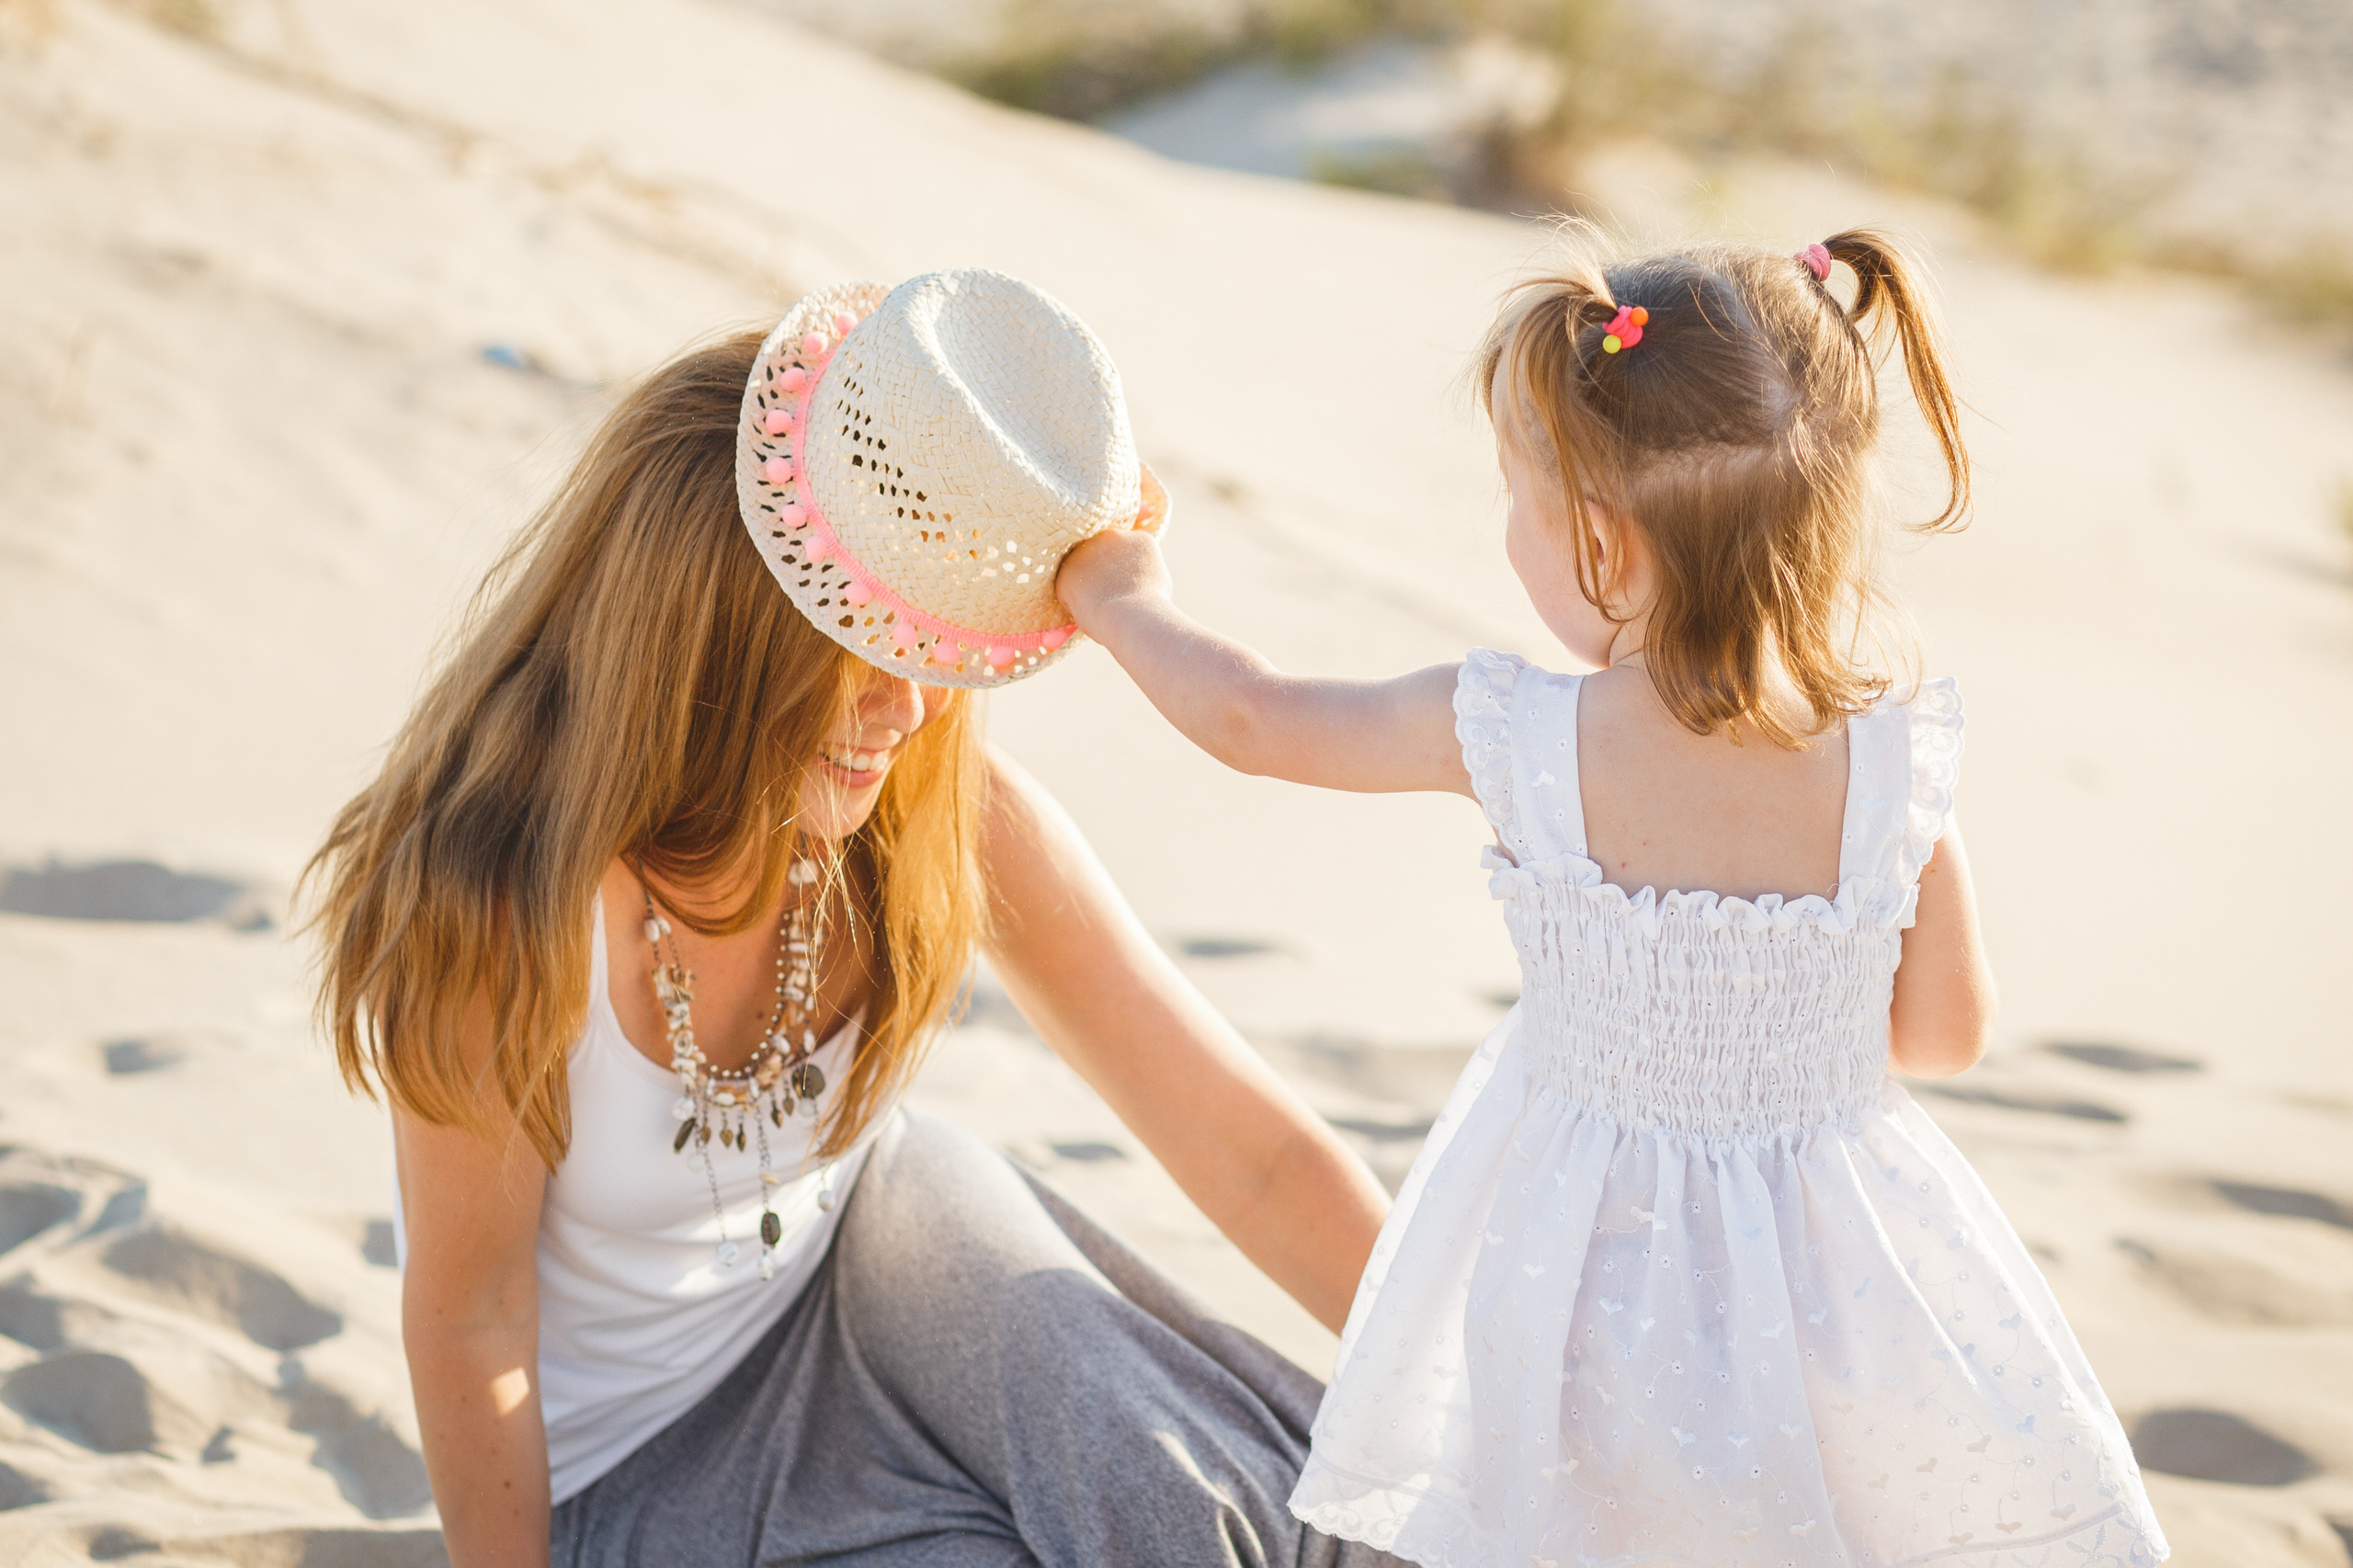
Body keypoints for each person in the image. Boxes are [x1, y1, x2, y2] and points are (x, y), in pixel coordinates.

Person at [1054, 233, 2168, 1567]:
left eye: (1518, 498)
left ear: (1599, 543)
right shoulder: (1893, 768)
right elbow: (1945, 1036)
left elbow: (1252, 718)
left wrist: (1120, 597)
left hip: (1585, 1265)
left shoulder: (1516, 734)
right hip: (1836, 1281)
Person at [305, 269, 1401, 1568]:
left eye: (923, 641)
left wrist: (1475, 1393)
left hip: (876, 1247)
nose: (913, 705)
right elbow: (473, 1319)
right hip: (645, 1455)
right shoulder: (504, 905)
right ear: (710, 647)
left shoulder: (944, 805)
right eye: (857, 646)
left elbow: (1251, 1152)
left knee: (1176, 1487)